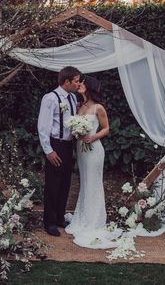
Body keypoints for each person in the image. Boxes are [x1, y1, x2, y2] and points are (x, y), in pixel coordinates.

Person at [65, 75, 122, 248]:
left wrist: (93, 136)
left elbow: (106, 128)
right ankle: (83, 216)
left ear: (88, 87)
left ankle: (94, 220)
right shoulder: (80, 105)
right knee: (85, 182)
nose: (79, 84)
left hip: (94, 150)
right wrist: (77, 133)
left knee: (94, 183)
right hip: (82, 150)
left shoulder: (98, 108)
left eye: (82, 83)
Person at [38, 66, 81, 236]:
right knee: (53, 185)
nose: (78, 84)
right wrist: (48, 151)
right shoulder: (50, 98)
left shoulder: (72, 97)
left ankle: (59, 217)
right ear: (67, 81)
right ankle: (49, 222)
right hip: (55, 145)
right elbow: (43, 127)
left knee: (65, 183)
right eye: (76, 81)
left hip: (68, 145)